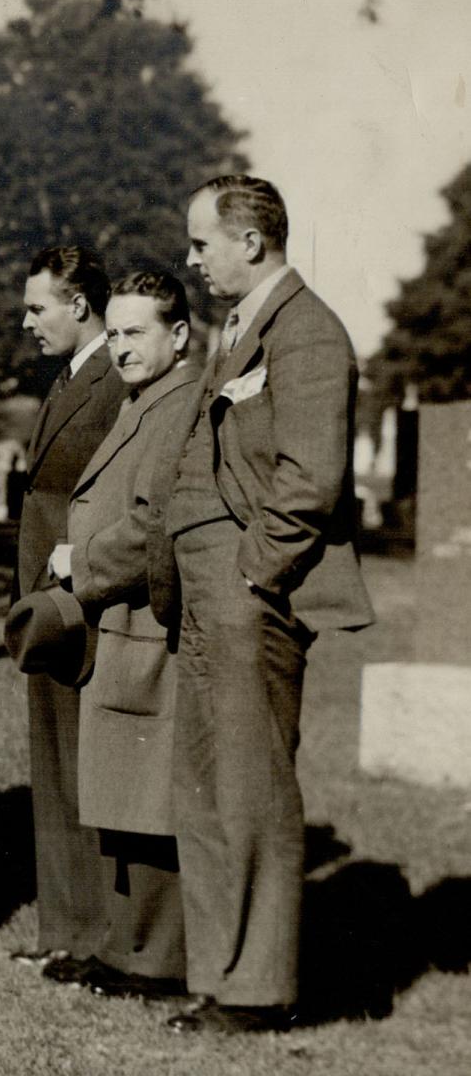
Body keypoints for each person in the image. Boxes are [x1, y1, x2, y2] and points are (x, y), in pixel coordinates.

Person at [155, 175, 374, 1032]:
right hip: (208, 592)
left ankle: (256, 991)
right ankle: (220, 979)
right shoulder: (238, 330)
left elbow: (311, 480)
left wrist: (253, 575)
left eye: (201, 242)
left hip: (251, 593)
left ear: (251, 241)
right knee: (204, 791)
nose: (192, 258)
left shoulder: (309, 333)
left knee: (250, 793)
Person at [46, 270, 201, 1000]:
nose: (120, 347)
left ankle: (155, 959)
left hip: (146, 621)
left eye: (136, 332)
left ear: (180, 334)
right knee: (122, 798)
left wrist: (81, 562)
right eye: (113, 333)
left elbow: (154, 524)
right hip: (121, 621)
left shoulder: (179, 405)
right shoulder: (146, 399)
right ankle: (123, 947)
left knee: (149, 802)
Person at [13, 246, 128, 980]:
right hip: (47, 599)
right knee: (53, 763)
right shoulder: (69, 380)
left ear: (79, 304)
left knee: (85, 765)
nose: (27, 323)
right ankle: (67, 928)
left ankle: (95, 933)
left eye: (37, 308)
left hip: (82, 597)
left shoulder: (115, 380)